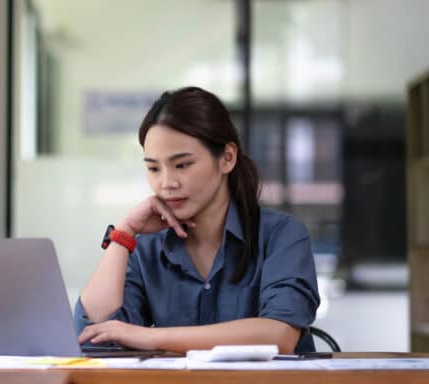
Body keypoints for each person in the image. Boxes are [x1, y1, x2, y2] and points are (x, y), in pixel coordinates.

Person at [75, 87, 320, 354]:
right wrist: (124, 233)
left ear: (227, 158)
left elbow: (278, 335)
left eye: (182, 165)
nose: (167, 183)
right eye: (154, 168)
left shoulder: (281, 235)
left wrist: (151, 337)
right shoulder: (146, 247)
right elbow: (91, 337)